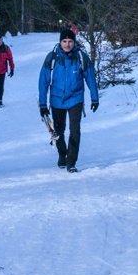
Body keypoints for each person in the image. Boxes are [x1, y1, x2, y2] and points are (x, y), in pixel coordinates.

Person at [38, 28, 99, 173]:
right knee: (59, 131)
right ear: (60, 42)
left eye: (70, 41)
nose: (67, 44)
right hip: (57, 100)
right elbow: (43, 82)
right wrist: (42, 104)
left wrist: (94, 98)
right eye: (64, 41)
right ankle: (62, 154)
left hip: (75, 99)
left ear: (74, 42)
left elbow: (90, 78)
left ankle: (71, 161)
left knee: (75, 130)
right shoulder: (52, 58)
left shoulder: (81, 57)